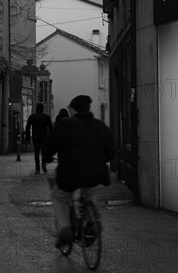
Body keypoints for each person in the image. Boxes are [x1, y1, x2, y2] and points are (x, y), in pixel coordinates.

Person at [42, 95, 116, 248]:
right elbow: (112, 149)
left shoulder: (65, 124)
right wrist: (102, 160)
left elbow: (50, 144)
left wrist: (47, 157)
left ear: (74, 110)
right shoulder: (99, 126)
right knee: (89, 192)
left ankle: (65, 228)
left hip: (70, 173)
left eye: (70, 109)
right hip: (96, 172)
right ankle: (90, 222)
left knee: (58, 196)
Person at [25, 102, 53, 174]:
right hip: (44, 137)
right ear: (42, 109)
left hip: (35, 137)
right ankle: (44, 166)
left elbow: (28, 127)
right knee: (44, 152)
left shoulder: (32, 116)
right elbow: (50, 128)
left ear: (36, 108)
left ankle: (37, 169)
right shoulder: (46, 117)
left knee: (36, 153)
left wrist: (27, 137)